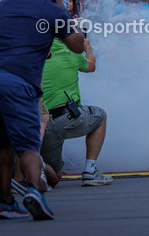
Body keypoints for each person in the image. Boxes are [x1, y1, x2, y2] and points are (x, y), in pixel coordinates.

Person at [0, 0, 85, 221]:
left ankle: (6, 201)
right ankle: (34, 191)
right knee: (29, 140)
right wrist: (62, 11)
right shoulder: (52, 9)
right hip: (15, 78)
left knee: (4, 141)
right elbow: (77, 45)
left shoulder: (3, 6)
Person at [40, 33, 112, 187]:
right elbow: (91, 66)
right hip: (66, 118)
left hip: (40, 124)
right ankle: (90, 171)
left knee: (55, 177)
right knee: (100, 116)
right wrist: (87, 47)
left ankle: (36, 163)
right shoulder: (72, 51)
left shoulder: (34, 52)